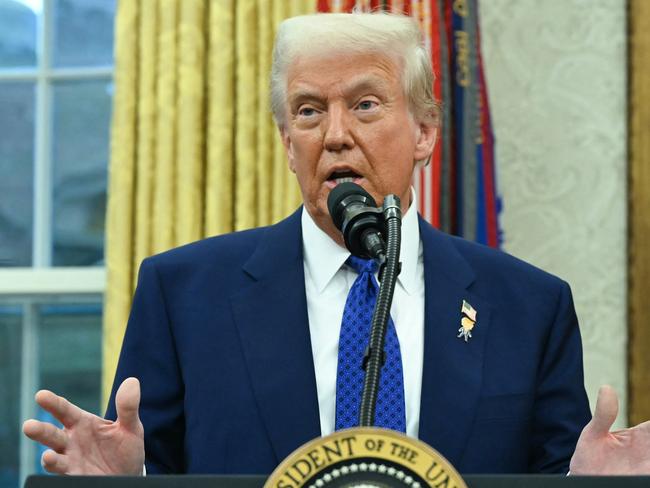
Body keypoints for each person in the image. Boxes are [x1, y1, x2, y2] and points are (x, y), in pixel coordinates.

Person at [23, 12, 650, 477]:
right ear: (285, 142)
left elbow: (545, 475)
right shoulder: (185, 293)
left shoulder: (528, 306)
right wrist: (125, 486)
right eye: (307, 111)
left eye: (366, 104)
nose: (336, 135)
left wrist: (584, 486)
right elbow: (147, 463)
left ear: (425, 131)